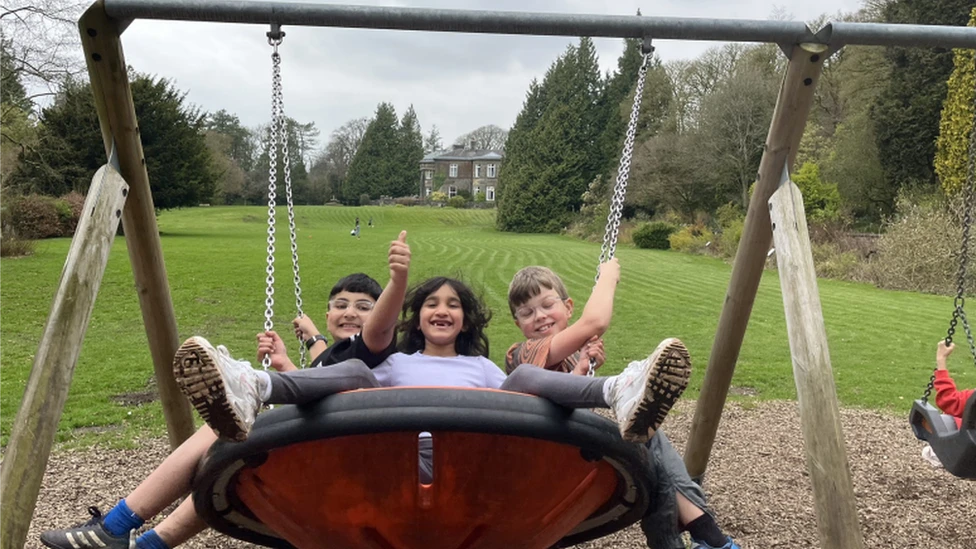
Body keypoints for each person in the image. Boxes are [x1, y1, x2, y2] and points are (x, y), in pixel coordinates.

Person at [175, 240, 685, 449]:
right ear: (416, 318)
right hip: (394, 455)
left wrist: (581, 377)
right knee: (357, 374)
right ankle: (254, 385)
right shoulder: (396, 361)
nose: (442, 310)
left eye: (454, 305)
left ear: (465, 321)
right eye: (431, 304)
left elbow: (534, 397)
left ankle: (619, 390)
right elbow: (337, 372)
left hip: (473, 456)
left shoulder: (485, 367)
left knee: (524, 379)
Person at [39, 272, 393, 549]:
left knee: (234, 441)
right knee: (230, 454)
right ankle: (138, 541)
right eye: (341, 304)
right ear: (328, 312)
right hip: (314, 454)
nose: (350, 312)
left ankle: (117, 526)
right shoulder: (333, 358)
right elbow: (323, 375)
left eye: (364, 307)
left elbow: (351, 368)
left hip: (351, 465)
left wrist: (314, 338)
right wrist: (287, 360)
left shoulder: (372, 352)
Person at [505, 265, 738, 549]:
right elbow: (594, 322)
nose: (539, 316)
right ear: (518, 324)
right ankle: (709, 535)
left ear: (568, 307)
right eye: (527, 312)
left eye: (547, 305)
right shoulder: (522, 354)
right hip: (537, 474)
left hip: (570, 464)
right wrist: (609, 274)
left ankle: (707, 535)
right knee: (640, 438)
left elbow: (569, 417)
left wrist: (580, 369)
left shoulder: (572, 359)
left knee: (645, 436)